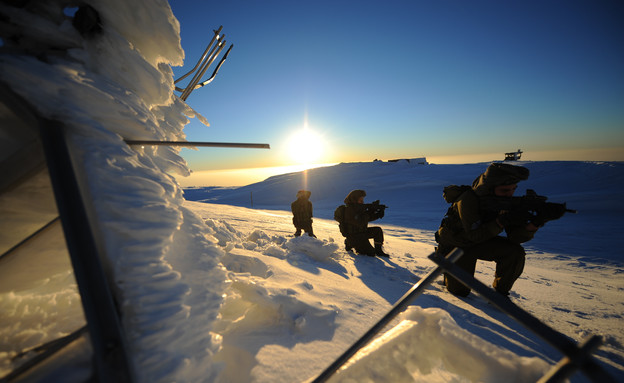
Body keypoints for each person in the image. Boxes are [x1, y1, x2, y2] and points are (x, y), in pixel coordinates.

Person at [435, 163, 537, 298]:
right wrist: (500, 221)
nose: (510, 194)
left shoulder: (505, 202)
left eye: (513, 189)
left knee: (515, 252)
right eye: (505, 190)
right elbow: (474, 235)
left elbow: (515, 237)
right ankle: (447, 268)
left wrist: (534, 224)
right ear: (489, 188)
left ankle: (500, 294)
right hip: (457, 246)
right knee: (460, 292)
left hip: (479, 242)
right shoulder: (468, 200)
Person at [342, 189, 388, 257]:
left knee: (377, 230)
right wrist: (370, 210)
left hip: (362, 233)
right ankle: (349, 242)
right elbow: (360, 221)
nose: (362, 202)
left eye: (362, 200)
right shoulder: (348, 210)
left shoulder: (358, 208)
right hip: (354, 236)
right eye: (360, 200)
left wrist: (377, 214)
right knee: (371, 253)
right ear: (354, 199)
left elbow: (367, 218)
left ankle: (379, 251)